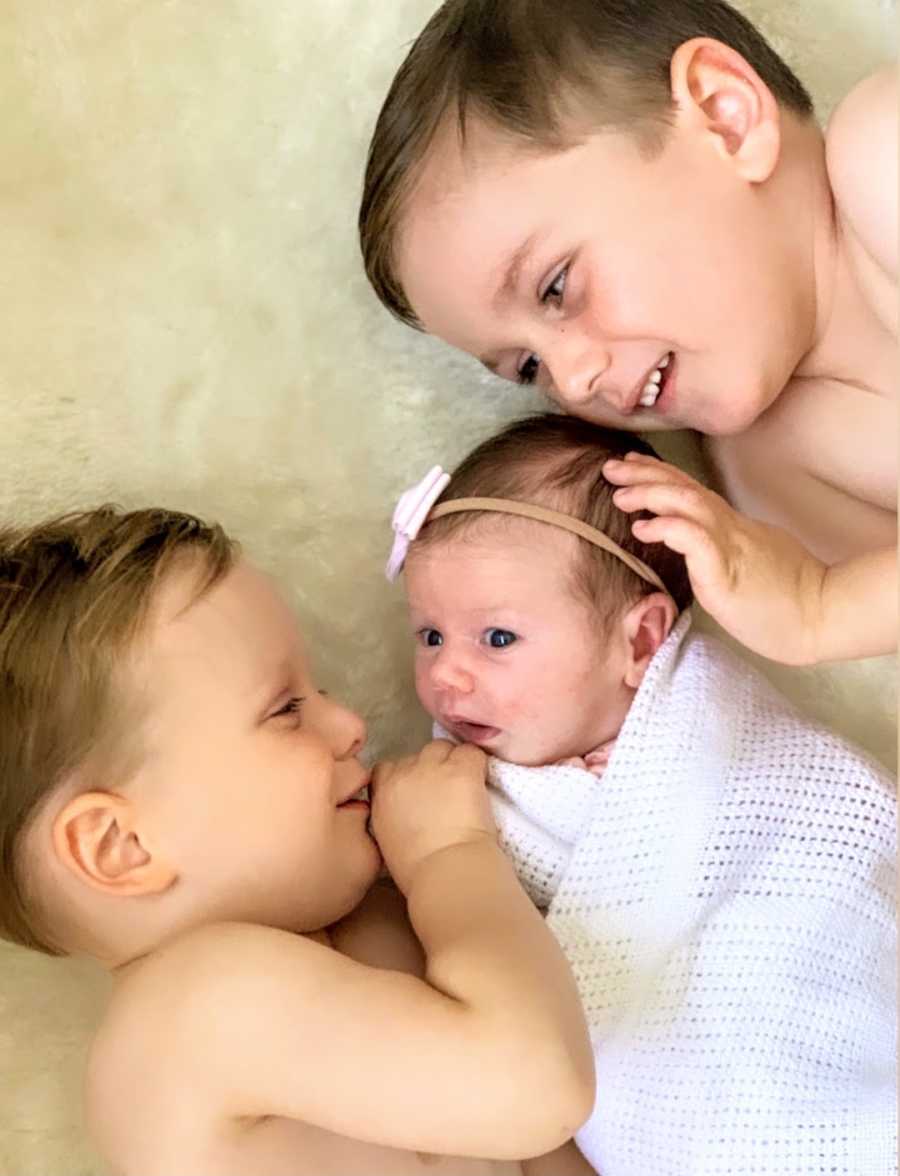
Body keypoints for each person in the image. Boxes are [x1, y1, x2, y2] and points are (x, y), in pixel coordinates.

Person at [0, 506, 596, 1176]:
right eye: (285, 710)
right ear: (121, 846)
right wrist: (451, 856)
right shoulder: (186, 1014)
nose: (349, 723)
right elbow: (535, 1087)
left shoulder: (359, 923)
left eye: (321, 690)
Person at [387, 412, 896, 1176]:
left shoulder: (719, 731)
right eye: (430, 635)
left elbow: (840, 836)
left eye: (496, 639)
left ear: (641, 640)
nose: (446, 676)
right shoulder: (456, 795)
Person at [359, 0, 897, 666]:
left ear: (725, 120)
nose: (573, 379)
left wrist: (832, 607)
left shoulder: (882, 158)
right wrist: (819, 605)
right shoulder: (766, 484)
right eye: (528, 367)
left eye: (556, 287)